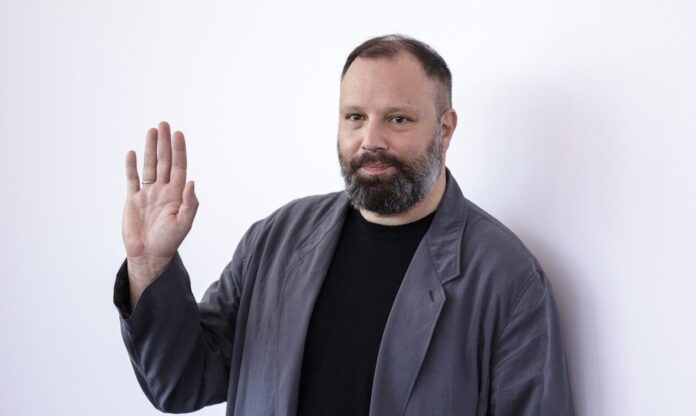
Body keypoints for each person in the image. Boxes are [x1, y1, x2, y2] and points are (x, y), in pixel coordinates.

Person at [114, 35, 575, 415]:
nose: (371, 140)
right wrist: (149, 266)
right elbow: (182, 383)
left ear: (445, 129)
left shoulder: (506, 278)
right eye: (355, 117)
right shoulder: (276, 239)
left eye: (398, 119)